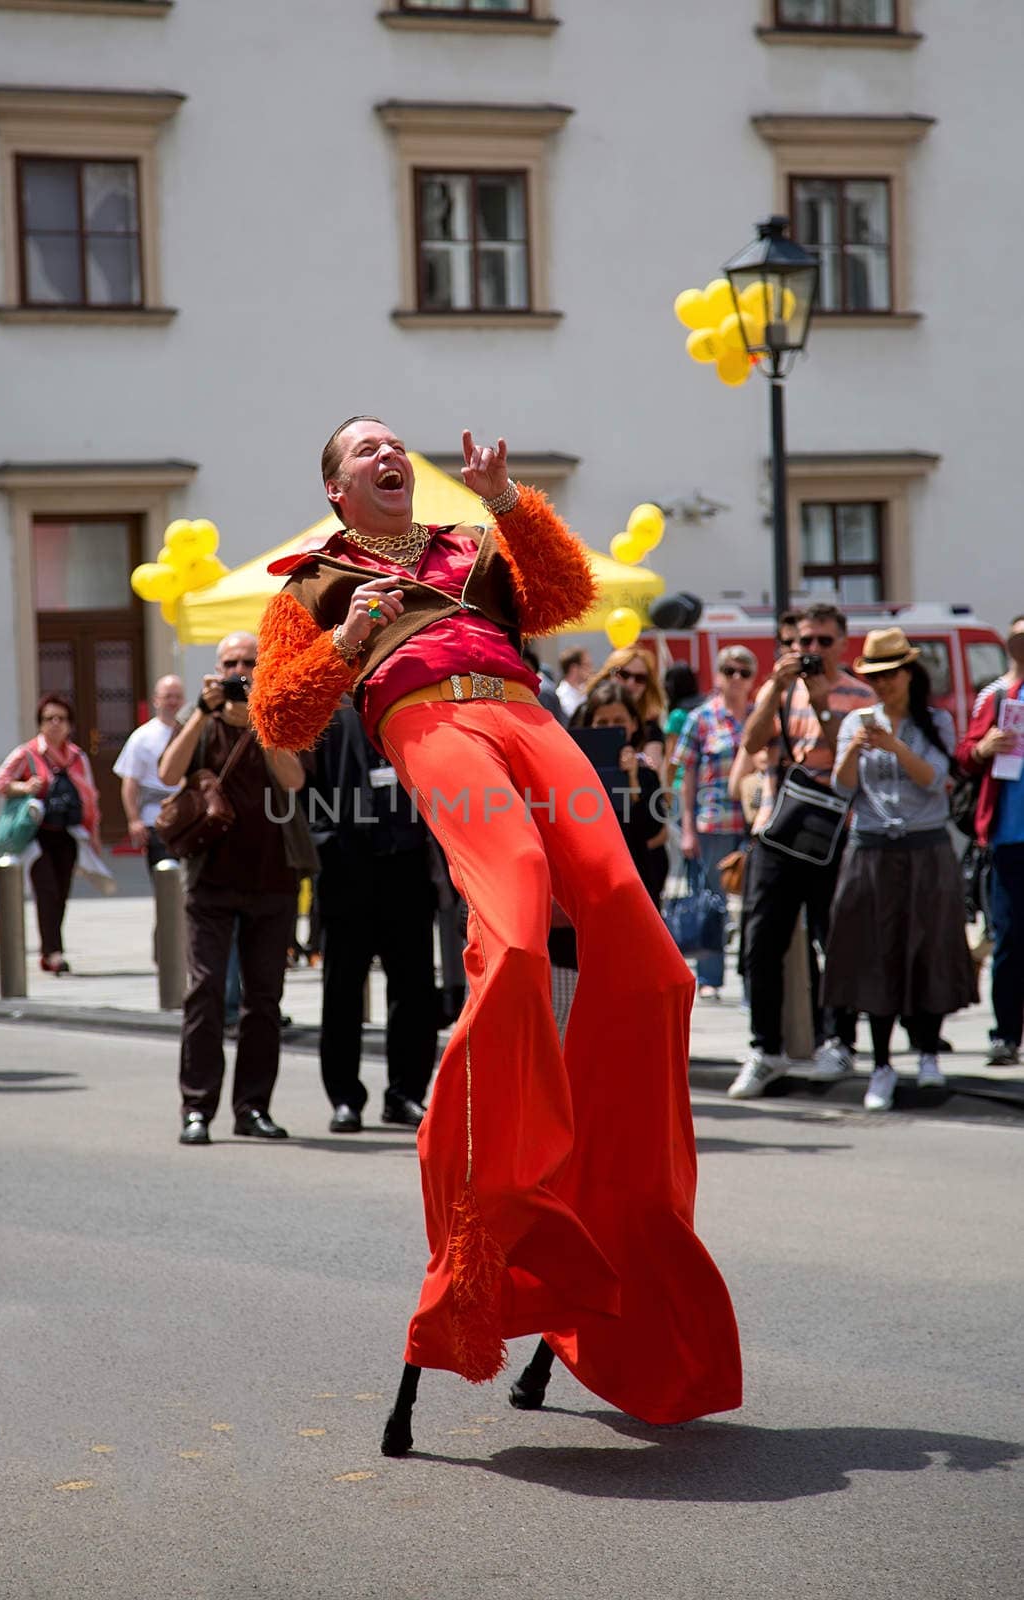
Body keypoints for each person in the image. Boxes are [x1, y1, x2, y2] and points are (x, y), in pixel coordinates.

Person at [249, 416, 741, 1426]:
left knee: (654, 970)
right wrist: (345, 641)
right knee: (513, 930)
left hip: (523, 714)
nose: (391, 456)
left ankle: (618, 1218)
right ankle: (488, 1208)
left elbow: (564, 600)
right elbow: (280, 719)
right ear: (338, 487)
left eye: (395, 446)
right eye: (366, 451)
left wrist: (509, 502)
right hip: (425, 716)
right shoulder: (308, 581)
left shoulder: (468, 543)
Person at [158, 631, 313, 1145]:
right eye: (231, 662)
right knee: (203, 993)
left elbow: (293, 781)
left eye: (249, 662)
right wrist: (202, 712)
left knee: (264, 1000)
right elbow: (167, 772)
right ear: (216, 668)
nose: (240, 670)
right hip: (211, 884)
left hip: (273, 882)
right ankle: (196, 1109)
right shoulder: (199, 721)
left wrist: (263, 717)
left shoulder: (278, 717)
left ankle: (252, 1108)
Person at [729, 602, 876, 1099]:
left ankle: (837, 1040)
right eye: (802, 642)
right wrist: (773, 691)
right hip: (778, 827)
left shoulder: (860, 694)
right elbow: (751, 745)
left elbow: (848, 760)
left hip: (833, 833)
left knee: (833, 938)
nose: (810, 651)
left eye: (822, 642)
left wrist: (821, 704)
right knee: (760, 941)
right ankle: (765, 1049)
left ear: (843, 644)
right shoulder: (779, 686)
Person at [826, 629, 975, 1111]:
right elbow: (841, 788)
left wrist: (894, 746)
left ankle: (929, 1053)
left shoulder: (935, 721)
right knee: (875, 954)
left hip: (925, 848)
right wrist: (853, 749)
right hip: (870, 849)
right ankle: (883, 1064)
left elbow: (937, 781)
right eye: (875, 676)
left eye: (891, 674)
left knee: (928, 947)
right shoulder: (855, 722)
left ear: (910, 673)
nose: (884, 684)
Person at [313, 703, 441, 1133]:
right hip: (348, 866)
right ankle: (345, 1098)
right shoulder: (330, 712)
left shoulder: (409, 705)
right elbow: (307, 787)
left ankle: (405, 1094)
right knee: (342, 988)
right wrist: (327, 843)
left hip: (405, 864)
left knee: (414, 987)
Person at [0, 693, 101, 973]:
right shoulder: (26, 753)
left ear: (70, 724)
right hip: (36, 834)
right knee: (47, 890)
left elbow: (90, 796)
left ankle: (49, 949)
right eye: (48, 719)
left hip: (67, 834)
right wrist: (25, 787)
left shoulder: (77, 756)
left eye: (61, 719)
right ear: (39, 723)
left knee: (62, 892)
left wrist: (94, 834)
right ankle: (53, 952)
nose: (55, 724)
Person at [957, 613, 1024, 1066]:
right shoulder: (997, 694)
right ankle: (1005, 1034)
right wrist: (984, 748)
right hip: (1009, 839)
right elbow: (964, 755)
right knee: (1010, 938)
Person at [675, 645, 756, 998]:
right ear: (719, 675)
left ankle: (752, 976)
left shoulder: (760, 716)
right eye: (729, 671)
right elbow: (686, 778)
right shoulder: (702, 718)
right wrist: (687, 828)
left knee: (754, 902)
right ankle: (710, 977)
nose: (736, 678)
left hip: (756, 822)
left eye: (744, 672)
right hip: (714, 822)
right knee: (712, 901)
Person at [572, 680, 668, 904]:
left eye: (619, 722)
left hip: (637, 880)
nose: (610, 727)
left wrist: (632, 779)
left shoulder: (645, 773)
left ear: (634, 724)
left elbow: (652, 831)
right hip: (593, 881)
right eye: (602, 722)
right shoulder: (576, 772)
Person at [113, 674, 185, 868]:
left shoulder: (191, 732)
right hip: (156, 818)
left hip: (189, 818)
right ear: (156, 700)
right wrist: (134, 820)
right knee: (165, 876)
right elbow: (130, 781)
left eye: (177, 696)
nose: (173, 701)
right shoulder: (142, 736)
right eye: (168, 696)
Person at [583, 646, 666, 768]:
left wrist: (636, 762)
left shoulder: (651, 729)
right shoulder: (583, 711)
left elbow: (653, 768)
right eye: (624, 674)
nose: (631, 683)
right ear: (609, 674)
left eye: (640, 678)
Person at [662, 662, 703, 794]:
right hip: (703, 782)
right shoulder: (704, 711)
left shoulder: (677, 716)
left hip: (681, 784)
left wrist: (667, 792)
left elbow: (671, 759)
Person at [555, 646, 592, 721]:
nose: (590, 669)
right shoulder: (562, 695)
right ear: (574, 668)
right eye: (586, 665)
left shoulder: (585, 689)